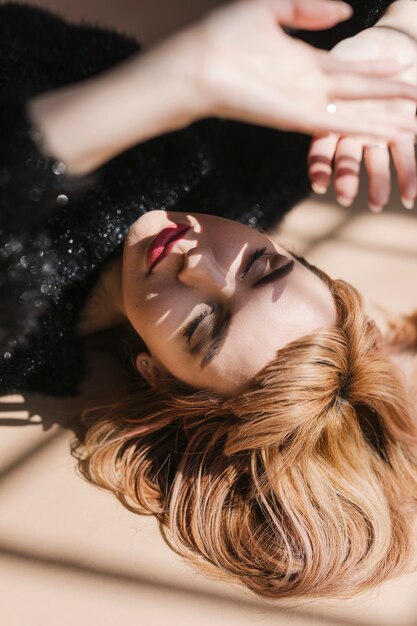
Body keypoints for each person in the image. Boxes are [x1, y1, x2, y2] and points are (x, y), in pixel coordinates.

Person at [1, 0, 417, 600]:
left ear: (157, 376)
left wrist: (175, 81)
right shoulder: (243, 177)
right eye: (262, 264)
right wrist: (400, 39)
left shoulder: (20, 328)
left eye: (202, 326)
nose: (197, 261)